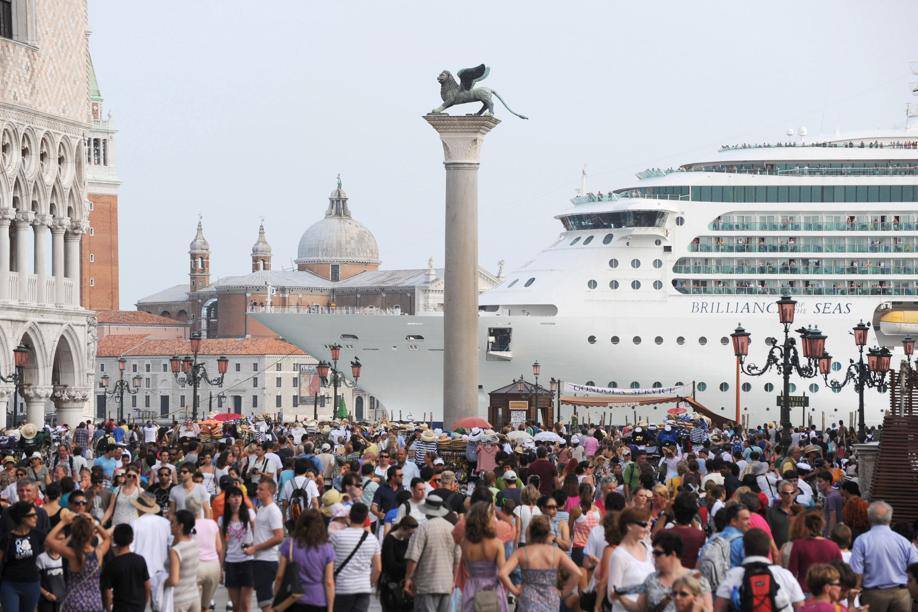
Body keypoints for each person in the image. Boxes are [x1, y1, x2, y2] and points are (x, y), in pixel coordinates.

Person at [613, 531, 713, 612]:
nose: (654, 557)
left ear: (673, 554)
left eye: (658, 553)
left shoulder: (697, 579)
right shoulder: (651, 579)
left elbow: (708, 609)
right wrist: (620, 597)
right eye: (653, 553)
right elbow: (640, 608)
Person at [499, 515, 581, 612]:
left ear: (531, 532)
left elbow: (502, 573)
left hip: (528, 599)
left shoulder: (522, 552)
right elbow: (577, 573)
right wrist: (563, 593)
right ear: (547, 533)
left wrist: (515, 591)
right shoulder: (556, 553)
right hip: (551, 599)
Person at [714, 528, 804, 612]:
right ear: (769, 549)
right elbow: (800, 605)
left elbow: (719, 607)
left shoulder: (734, 575)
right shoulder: (784, 574)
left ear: (744, 549)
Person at [850, 501, 918, 612]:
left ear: (869, 518)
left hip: (873, 595)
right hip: (901, 595)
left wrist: (854, 596)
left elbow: (857, 572)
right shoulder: (903, 542)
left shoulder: (861, 541)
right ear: (890, 519)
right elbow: (915, 566)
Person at [46, 512, 111, 612]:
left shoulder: (72, 554)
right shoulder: (98, 553)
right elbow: (107, 538)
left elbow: (48, 539)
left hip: (73, 603)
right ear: (91, 535)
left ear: (74, 535)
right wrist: (95, 522)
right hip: (94, 603)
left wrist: (63, 522)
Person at [403, 495, 457, 612]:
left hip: (426, 583)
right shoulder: (452, 528)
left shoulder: (423, 528)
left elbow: (413, 558)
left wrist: (408, 579)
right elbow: (458, 559)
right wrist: (453, 580)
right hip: (446, 584)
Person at [330, 503, 381, 612]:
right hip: (363, 588)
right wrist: (369, 583)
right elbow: (378, 568)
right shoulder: (372, 540)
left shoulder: (337, 537)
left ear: (349, 516)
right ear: (366, 518)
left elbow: (329, 563)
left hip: (342, 587)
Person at [459, 501, 508, 612]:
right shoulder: (497, 544)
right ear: (486, 519)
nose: (495, 519)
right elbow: (503, 572)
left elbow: (466, 566)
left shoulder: (464, 542)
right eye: (493, 515)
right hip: (492, 590)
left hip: (472, 587)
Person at [246, 478, 285, 612]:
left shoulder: (273, 511)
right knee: (264, 601)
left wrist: (255, 548)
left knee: (265, 602)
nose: (257, 491)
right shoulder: (262, 509)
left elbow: (279, 536)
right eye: (258, 489)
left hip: (267, 560)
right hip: (259, 559)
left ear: (270, 492)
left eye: (261, 489)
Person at [606, 508, 656, 611]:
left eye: (649, 525)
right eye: (643, 524)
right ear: (629, 526)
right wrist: (636, 606)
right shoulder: (619, 555)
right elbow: (612, 595)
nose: (647, 529)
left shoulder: (649, 550)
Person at [129, 492, 172, 609]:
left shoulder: (135, 524)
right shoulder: (166, 523)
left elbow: (130, 549)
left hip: (141, 574)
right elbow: (170, 547)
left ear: (139, 507)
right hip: (162, 571)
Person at [0, 501, 46, 612]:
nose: (36, 517)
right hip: (10, 584)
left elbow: (55, 543)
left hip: (32, 584)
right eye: (32, 515)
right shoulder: (7, 538)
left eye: (36, 514)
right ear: (21, 518)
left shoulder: (37, 534)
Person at [219, 486, 256, 612]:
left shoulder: (250, 514)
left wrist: (255, 550)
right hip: (231, 562)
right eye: (233, 496)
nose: (236, 499)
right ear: (227, 499)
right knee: (235, 606)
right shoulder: (222, 520)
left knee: (245, 604)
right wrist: (220, 568)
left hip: (248, 561)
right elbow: (222, 545)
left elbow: (257, 536)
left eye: (239, 496)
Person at [100, 523, 151, 612]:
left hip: (120, 608)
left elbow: (107, 593)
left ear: (114, 539)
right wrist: (144, 603)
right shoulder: (140, 560)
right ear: (132, 539)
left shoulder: (112, 564)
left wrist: (108, 609)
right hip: (138, 608)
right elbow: (148, 586)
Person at [788, 511, 843, 592]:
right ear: (822, 526)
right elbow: (840, 570)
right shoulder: (833, 546)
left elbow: (792, 571)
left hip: (804, 589)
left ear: (806, 527)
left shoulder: (798, 545)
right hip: (827, 590)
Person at [186, 495, 222, 612]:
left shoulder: (188, 527)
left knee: (193, 607)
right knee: (205, 606)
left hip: (196, 566)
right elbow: (219, 548)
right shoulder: (212, 523)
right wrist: (221, 568)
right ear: (200, 507)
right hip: (213, 566)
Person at [380, 515, 417, 612]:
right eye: (410, 533)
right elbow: (390, 565)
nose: (411, 536)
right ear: (403, 528)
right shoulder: (389, 540)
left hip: (402, 583)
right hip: (391, 585)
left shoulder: (406, 540)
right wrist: (409, 567)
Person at [167, 509, 201, 612]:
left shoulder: (176, 551)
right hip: (194, 596)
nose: (170, 525)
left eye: (173, 522)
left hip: (179, 599)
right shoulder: (194, 543)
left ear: (180, 526)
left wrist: (161, 582)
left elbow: (174, 580)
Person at [103, 463, 142, 528]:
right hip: (116, 526)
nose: (131, 478)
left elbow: (144, 505)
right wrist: (101, 523)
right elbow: (110, 509)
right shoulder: (117, 489)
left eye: (134, 476)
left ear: (137, 477)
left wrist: (138, 484)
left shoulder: (140, 490)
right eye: (129, 475)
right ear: (125, 476)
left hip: (132, 527)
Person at [36, 543, 65, 612]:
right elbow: (34, 580)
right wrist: (46, 594)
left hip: (63, 600)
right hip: (45, 600)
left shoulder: (66, 557)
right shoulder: (41, 558)